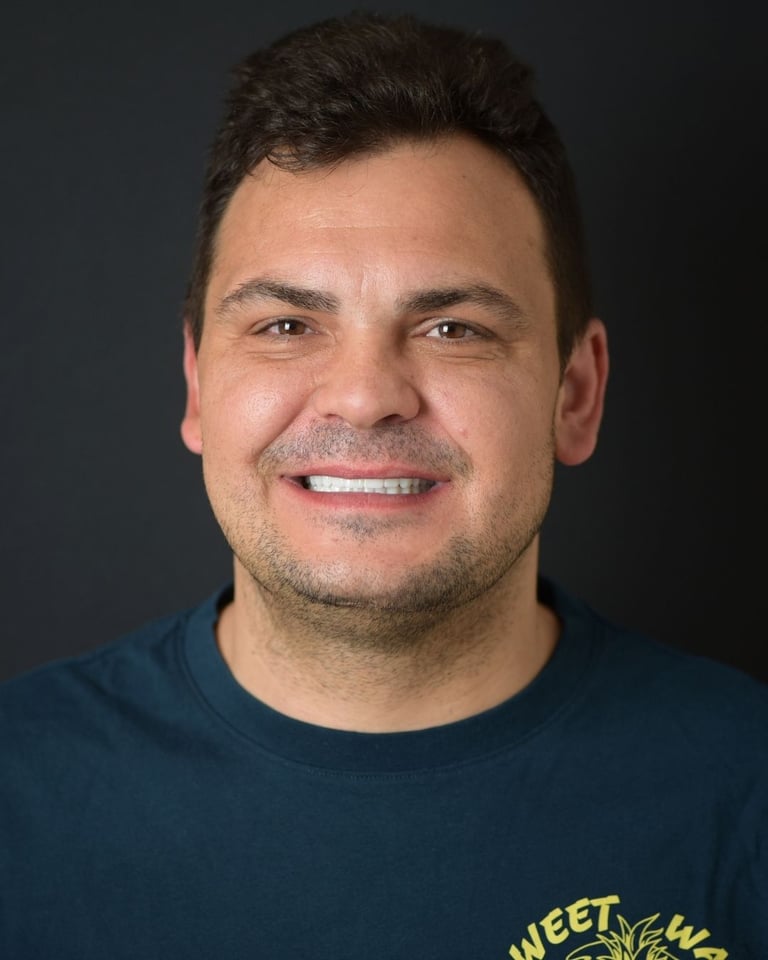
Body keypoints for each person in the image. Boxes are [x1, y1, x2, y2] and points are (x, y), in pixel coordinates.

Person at [1, 12, 765, 959]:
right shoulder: (16, 790)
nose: (364, 398)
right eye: (285, 325)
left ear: (576, 393)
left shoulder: (748, 791)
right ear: (198, 385)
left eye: (454, 328)